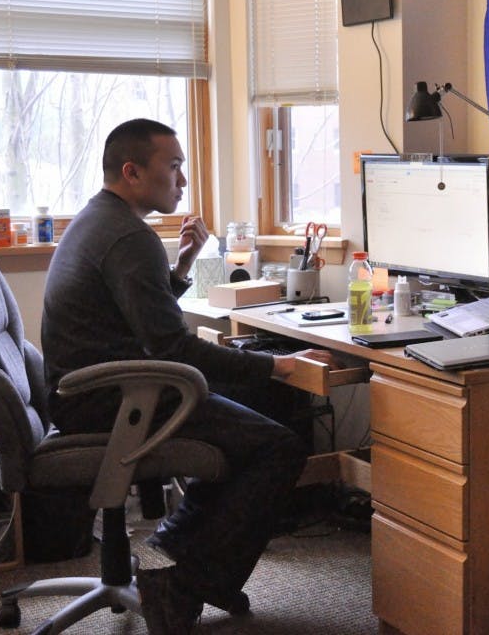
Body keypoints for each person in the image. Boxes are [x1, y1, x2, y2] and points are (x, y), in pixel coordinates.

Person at [42, 118, 333, 633]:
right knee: (277, 445)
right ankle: (184, 582)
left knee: (250, 414)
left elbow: (136, 323)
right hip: (112, 397)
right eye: (173, 166)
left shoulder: (100, 220)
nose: (182, 180)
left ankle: (180, 553)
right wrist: (275, 364)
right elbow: (172, 346)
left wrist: (180, 270)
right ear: (132, 172)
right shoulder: (128, 237)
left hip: (101, 387)